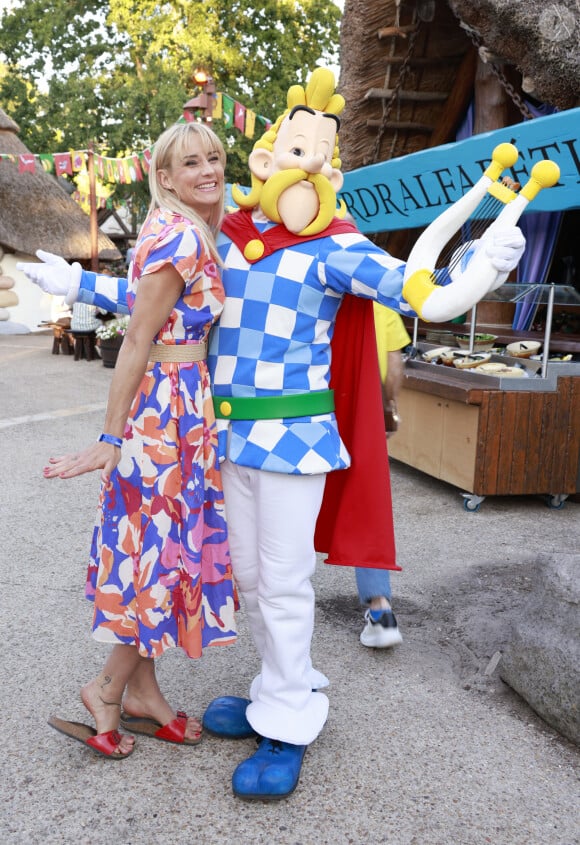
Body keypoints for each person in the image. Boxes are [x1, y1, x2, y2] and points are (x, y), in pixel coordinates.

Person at [19, 68, 526, 794]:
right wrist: (78, 285)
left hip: (294, 441)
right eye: (291, 152)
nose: (302, 165)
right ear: (269, 159)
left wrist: (481, 267)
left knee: (284, 584)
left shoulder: (336, 247)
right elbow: (159, 300)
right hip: (224, 441)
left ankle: (289, 717)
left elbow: (424, 293)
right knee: (251, 580)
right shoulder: (225, 238)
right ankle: (280, 686)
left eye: (315, 156)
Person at [41, 121, 236, 759]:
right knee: (159, 557)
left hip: (179, 409)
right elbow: (136, 338)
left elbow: (141, 311)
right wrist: (109, 434)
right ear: (165, 176)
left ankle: (145, 694)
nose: (207, 171)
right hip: (166, 416)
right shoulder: (182, 235)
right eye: (191, 164)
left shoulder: (174, 225)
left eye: (214, 157)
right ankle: (104, 690)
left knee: (162, 549)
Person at [355, 304, 410, 648]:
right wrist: (389, 407)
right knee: (365, 509)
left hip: (313, 408)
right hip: (364, 413)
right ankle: (380, 608)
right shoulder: (380, 302)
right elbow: (393, 366)